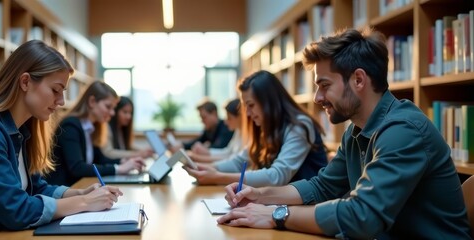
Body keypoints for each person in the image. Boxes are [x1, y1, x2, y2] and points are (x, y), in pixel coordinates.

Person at [217, 28, 472, 239]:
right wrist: (260, 195)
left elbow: (362, 215)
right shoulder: (356, 131)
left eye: (324, 85)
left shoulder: (404, 131)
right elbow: (323, 186)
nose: (317, 98)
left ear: (358, 80)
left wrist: (276, 215)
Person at [0, 40, 123, 239]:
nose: (61, 102)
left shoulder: (19, 130)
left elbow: (35, 187)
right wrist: (86, 204)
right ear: (25, 82)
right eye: (55, 90)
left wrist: (81, 194)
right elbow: (16, 210)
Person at [184, 70, 328, 187]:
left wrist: (218, 177)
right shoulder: (265, 125)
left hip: (305, 208)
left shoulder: (299, 126)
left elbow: (277, 176)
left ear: (269, 102)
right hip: (279, 203)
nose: (247, 113)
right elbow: (239, 161)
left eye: (251, 105)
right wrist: (211, 169)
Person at [46, 81, 145, 186]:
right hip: (63, 191)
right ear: (92, 101)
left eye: (113, 108)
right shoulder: (70, 126)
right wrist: (118, 169)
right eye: (108, 107)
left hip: (78, 187)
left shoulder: (91, 128)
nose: (112, 113)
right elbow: (77, 168)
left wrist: (123, 161)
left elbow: (100, 159)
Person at [189, 98, 244, 163]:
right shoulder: (238, 132)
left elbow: (231, 158)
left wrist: (199, 157)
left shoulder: (226, 129)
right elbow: (227, 153)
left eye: (229, 118)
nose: (226, 122)